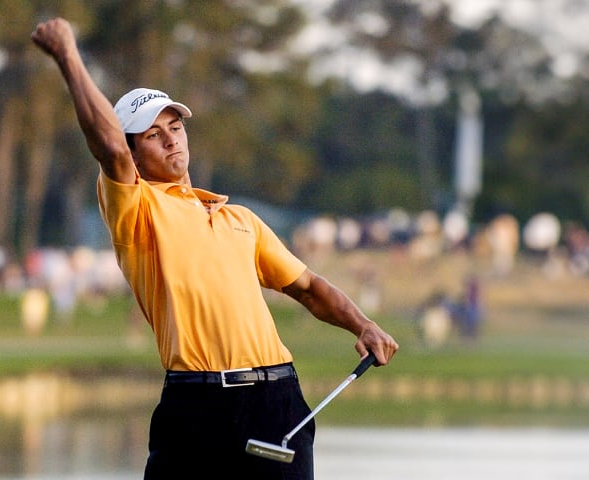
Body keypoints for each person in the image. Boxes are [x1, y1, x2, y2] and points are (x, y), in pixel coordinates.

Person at [32, 17, 398, 480]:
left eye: (175, 128)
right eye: (152, 135)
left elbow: (307, 287)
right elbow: (109, 150)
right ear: (135, 153)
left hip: (276, 400)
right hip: (197, 404)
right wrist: (68, 56)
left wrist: (362, 325)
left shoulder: (239, 219)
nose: (171, 140)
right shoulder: (137, 209)